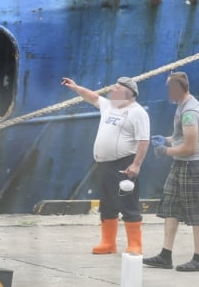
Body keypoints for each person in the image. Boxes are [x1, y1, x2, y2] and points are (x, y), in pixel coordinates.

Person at [62, 76, 150, 255]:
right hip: (104, 165)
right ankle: (108, 243)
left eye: (116, 87)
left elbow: (143, 140)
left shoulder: (137, 112)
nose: (111, 89)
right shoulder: (109, 105)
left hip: (124, 164)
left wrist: (136, 164)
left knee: (128, 202)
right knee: (107, 204)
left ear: (128, 92)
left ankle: (135, 244)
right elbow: (93, 97)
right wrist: (76, 87)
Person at [144, 71, 199, 272]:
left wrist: (165, 151)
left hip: (193, 166)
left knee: (195, 210)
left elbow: (190, 147)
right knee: (170, 206)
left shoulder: (190, 112)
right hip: (181, 165)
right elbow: (180, 137)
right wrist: (165, 139)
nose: (167, 92)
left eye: (170, 88)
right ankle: (165, 255)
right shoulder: (182, 107)